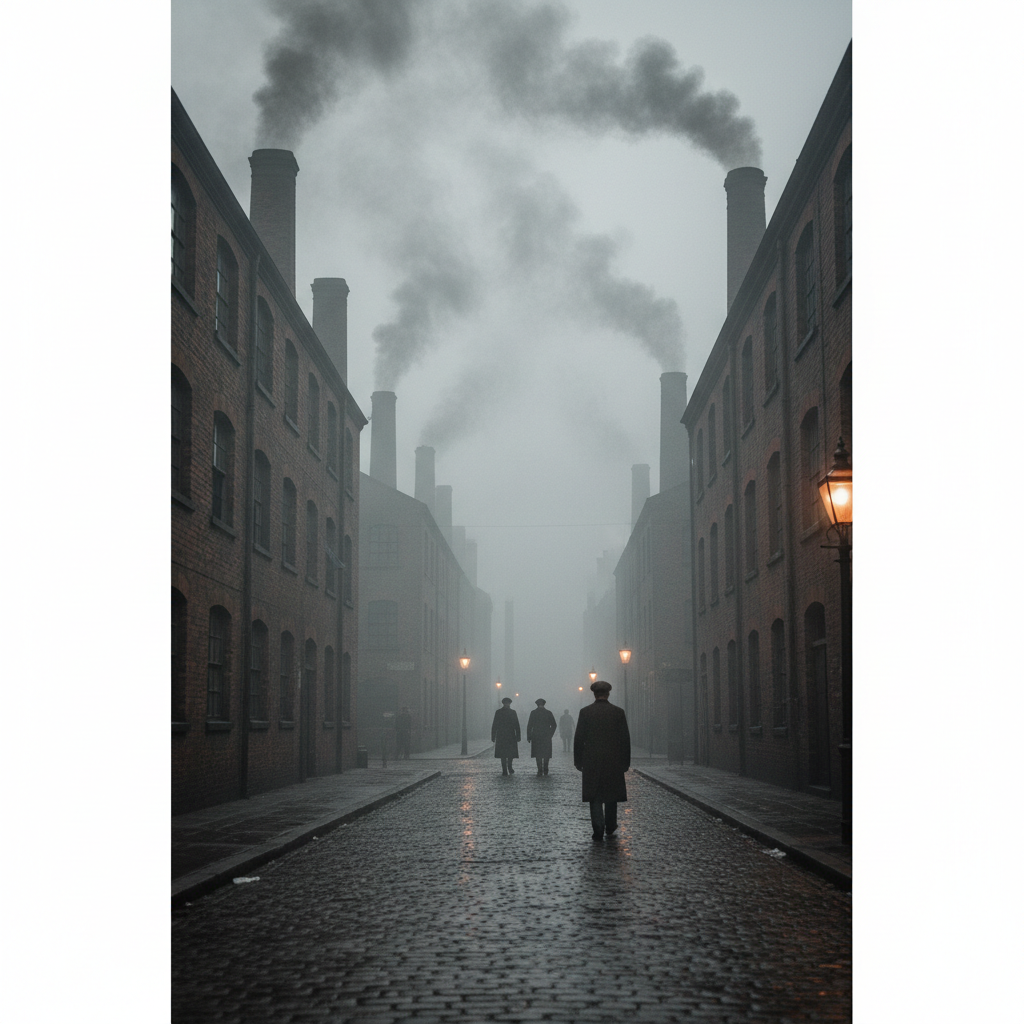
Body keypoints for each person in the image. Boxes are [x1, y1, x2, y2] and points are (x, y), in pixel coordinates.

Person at [573, 680, 631, 841]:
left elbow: (579, 739)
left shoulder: (585, 712)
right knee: (611, 794)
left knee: (595, 795)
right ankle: (610, 825)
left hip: (592, 760)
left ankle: (598, 827)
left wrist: (578, 761)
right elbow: (625, 739)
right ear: (608, 694)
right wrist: (625, 761)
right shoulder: (618, 712)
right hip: (613, 760)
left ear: (594, 694)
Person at [526, 698, 557, 776]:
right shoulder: (548, 713)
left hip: (536, 736)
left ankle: (539, 769)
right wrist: (550, 734)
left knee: (538, 754)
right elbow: (554, 725)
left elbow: (530, 725)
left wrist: (529, 736)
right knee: (546, 753)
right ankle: (545, 768)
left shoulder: (533, 713)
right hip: (546, 736)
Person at [491, 696, 521, 775]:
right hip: (508, 735)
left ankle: (507, 768)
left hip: (503, 735)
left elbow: (495, 725)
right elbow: (516, 725)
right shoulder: (511, 712)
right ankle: (507, 768)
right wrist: (518, 736)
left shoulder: (499, 712)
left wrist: (493, 736)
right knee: (506, 753)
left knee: (505, 753)